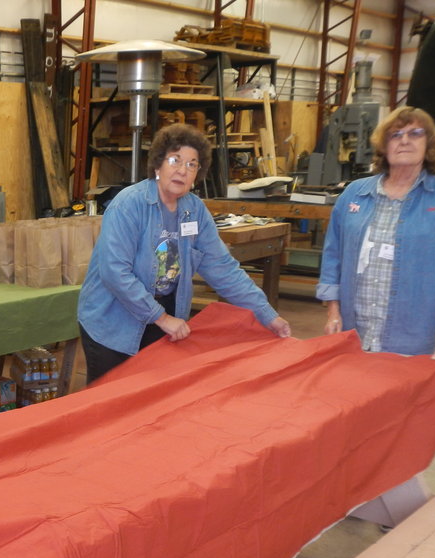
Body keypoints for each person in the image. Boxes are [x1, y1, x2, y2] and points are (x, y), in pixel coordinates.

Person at [77, 123, 291, 383]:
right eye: (175, 160)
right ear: (158, 165)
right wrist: (162, 318)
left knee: (151, 398)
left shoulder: (195, 211)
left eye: (192, 164)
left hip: (163, 319)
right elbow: (114, 273)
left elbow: (223, 268)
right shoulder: (129, 205)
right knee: (110, 405)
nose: (182, 170)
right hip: (114, 322)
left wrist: (267, 315)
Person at [317, 106, 435, 364]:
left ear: (430, 145)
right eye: (395, 134)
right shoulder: (354, 194)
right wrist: (333, 313)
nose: (404, 140)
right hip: (353, 333)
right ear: (383, 146)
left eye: (415, 133)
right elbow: (333, 257)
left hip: (414, 340)